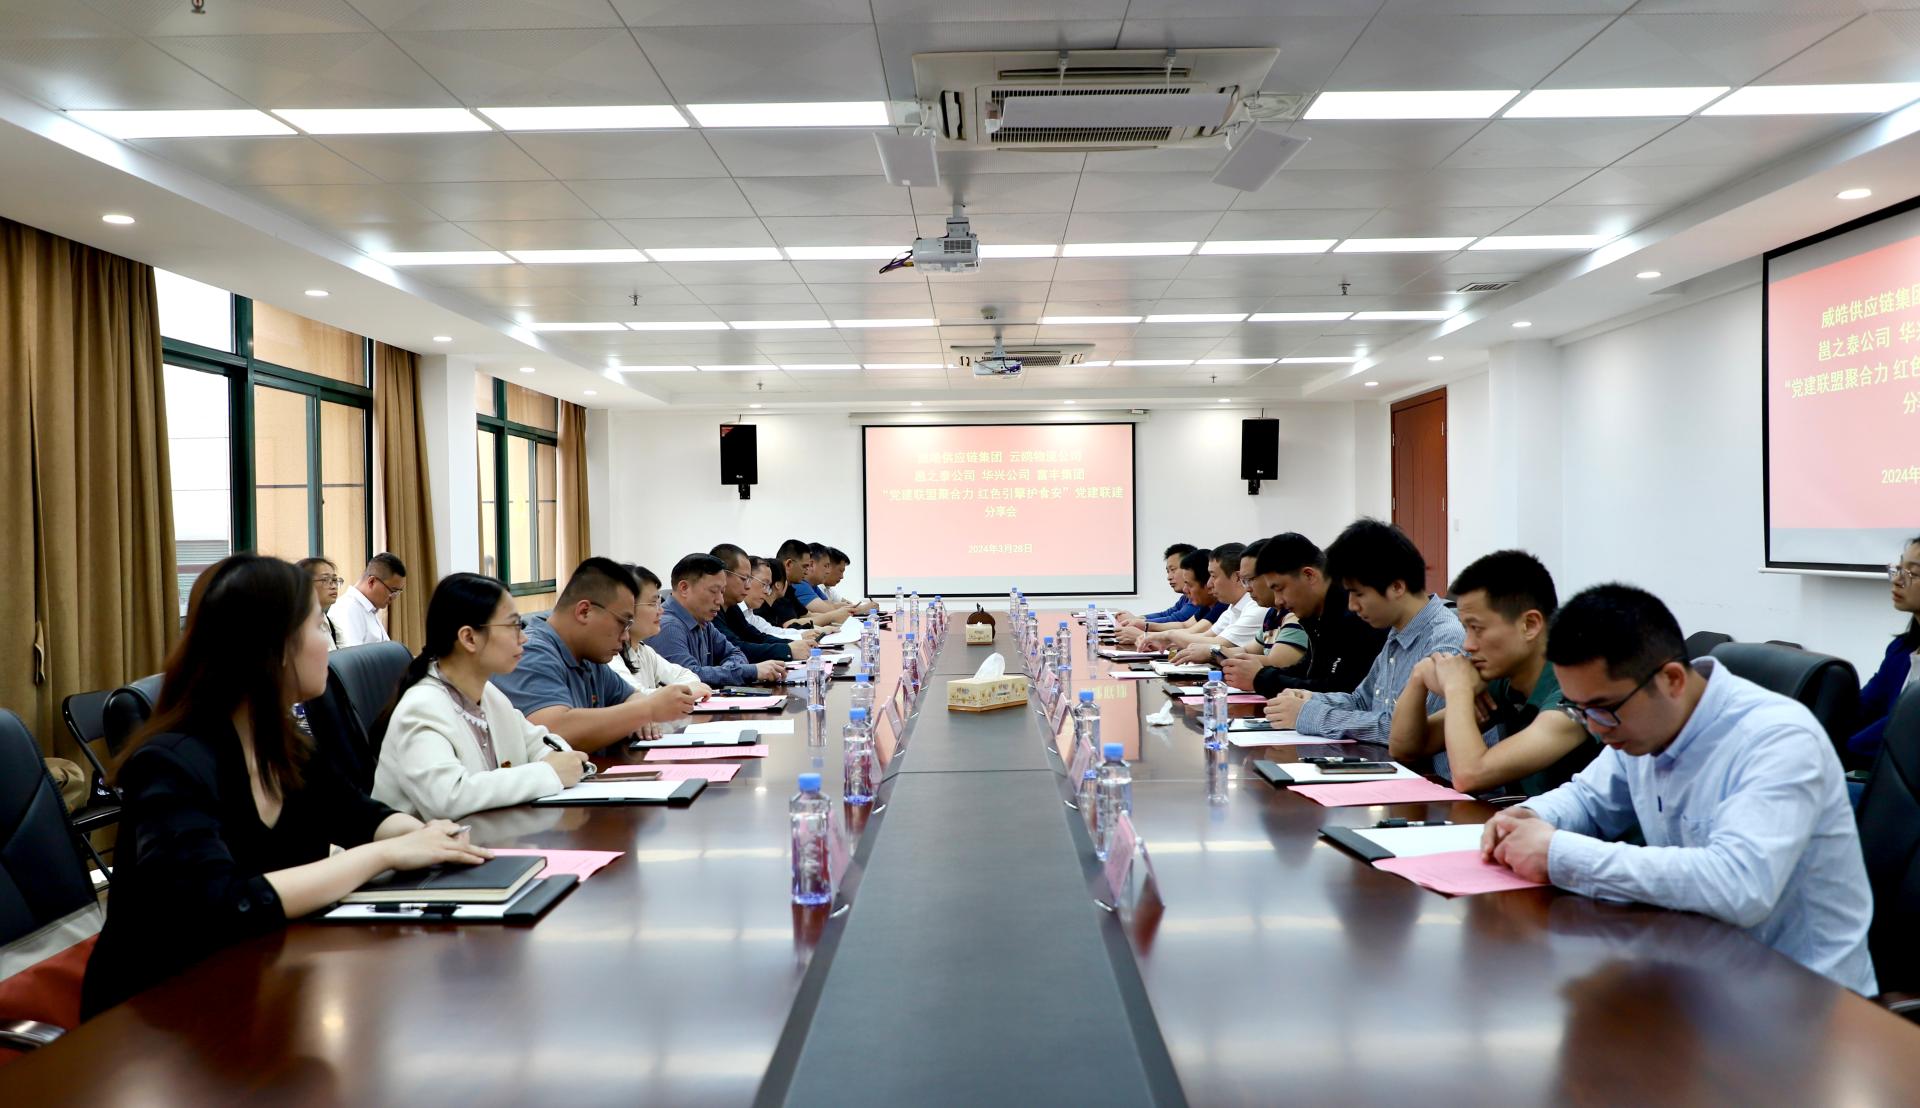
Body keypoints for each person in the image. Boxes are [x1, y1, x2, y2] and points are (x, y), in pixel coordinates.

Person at [81, 554, 489, 1018]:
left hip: (263, 986)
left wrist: (428, 838)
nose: (328, 644)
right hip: (160, 1014)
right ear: (274, 647)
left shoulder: (285, 745)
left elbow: (359, 815)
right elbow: (223, 904)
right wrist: (384, 854)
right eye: (317, 628)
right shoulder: (170, 763)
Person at [1481, 584, 1877, 996]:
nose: (1595, 727)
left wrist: (1558, 854)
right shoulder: (1640, 725)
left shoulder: (1778, 739)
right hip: (1694, 968)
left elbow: (1740, 886)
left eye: (1603, 708)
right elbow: (1588, 798)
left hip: (1802, 997)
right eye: (1580, 709)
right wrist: (1531, 816)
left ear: (1671, 679)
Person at [373, 573, 592, 821]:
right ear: (469, 638)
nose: (523, 638)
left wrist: (560, 761)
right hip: (418, 844)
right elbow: (449, 798)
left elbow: (539, 743)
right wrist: (549, 773)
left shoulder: (488, 694)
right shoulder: (421, 707)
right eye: (513, 626)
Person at [1388, 550, 1596, 797]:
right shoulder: (1504, 679)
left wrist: (1457, 689)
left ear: (1529, 625)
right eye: (1465, 629)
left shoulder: (1577, 689)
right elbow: (1405, 748)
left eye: (1477, 629)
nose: (1467, 645)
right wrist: (1418, 677)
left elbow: (1470, 776)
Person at [1265, 519, 1463, 741]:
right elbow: (1361, 701)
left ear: (1397, 586)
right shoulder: (1397, 633)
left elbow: (1408, 733)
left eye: (1358, 593)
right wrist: (1310, 699)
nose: (1351, 606)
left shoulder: (1444, 641)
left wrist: (1310, 714)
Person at [491, 557, 700, 752]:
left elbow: (629, 696)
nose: (626, 636)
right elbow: (553, 732)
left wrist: (640, 711)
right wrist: (647, 710)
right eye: (623, 623)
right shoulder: (532, 652)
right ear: (584, 611)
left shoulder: (589, 655)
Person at [1223, 533, 1385, 702]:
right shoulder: (1318, 615)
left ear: (1309, 575)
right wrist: (1261, 676)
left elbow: (1341, 690)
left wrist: (1262, 678)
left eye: (1280, 589)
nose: (1278, 601)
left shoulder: (1355, 614)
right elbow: (1308, 671)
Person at [648, 552, 788, 687]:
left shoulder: (704, 622)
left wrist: (730, 670)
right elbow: (689, 677)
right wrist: (748, 671)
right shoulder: (667, 626)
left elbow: (736, 653)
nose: (720, 600)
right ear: (684, 588)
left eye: (722, 592)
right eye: (714, 591)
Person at [1845, 535, 1920, 763]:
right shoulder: (1899, 651)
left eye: (1913, 573)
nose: (1897, 580)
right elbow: (1863, 708)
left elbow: (1898, 730)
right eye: (1899, 569)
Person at [1148, 543, 1270, 661]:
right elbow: (1206, 637)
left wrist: (1168, 636)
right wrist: (1169, 641)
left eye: (1213, 576)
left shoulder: (1258, 608)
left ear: (1237, 577)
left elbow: (1219, 643)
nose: (1209, 584)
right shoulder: (1233, 607)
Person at [612, 564, 716, 698]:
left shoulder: (644, 652)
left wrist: (678, 690)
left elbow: (687, 675)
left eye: (659, 602)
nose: (661, 610)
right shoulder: (610, 657)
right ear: (625, 607)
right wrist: (681, 691)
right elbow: (634, 697)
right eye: (652, 604)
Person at [711, 543, 815, 662]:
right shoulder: (711, 611)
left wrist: (792, 645)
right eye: (744, 578)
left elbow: (756, 637)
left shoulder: (732, 608)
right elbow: (735, 647)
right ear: (722, 576)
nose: (748, 586)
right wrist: (787, 650)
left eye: (749, 579)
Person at [1116, 547, 1224, 646]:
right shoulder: (1207, 605)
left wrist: (1145, 635)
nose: (1185, 589)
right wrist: (1144, 626)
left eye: (1173, 570)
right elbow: (1186, 627)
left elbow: (1198, 637)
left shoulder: (1223, 605)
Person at [328, 552, 406, 647]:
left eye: (398, 592)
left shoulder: (369, 608)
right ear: (371, 582)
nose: (393, 597)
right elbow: (353, 655)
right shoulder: (346, 609)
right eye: (393, 591)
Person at [1117, 544, 1200, 629]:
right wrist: (1137, 619)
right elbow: (1167, 614)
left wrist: (1139, 622)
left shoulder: (1199, 598)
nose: (1169, 577)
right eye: (1168, 571)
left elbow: (1177, 620)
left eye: (1173, 570)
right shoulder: (1185, 598)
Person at [741, 557, 806, 642]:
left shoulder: (750, 614)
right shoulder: (731, 612)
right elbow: (757, 640)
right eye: (764, 584)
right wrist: (801, 637)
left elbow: (772, 632)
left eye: (768, 586)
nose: (767, 592)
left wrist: (804, 634)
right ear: (747, 579)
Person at [297, 556, 344, 650]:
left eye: (334, 580)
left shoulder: (332, 625)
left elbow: (345, 655)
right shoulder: (296, 627)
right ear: (305, 584)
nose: (334, 586)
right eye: (325, 580)